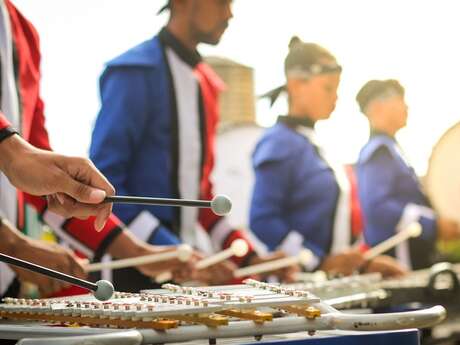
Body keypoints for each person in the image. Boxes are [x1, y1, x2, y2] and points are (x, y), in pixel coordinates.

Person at [90, 0, 296, 290]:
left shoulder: (207, 86)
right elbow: (105, 187)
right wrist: (169, 251)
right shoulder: (133, 72)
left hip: (185, 268)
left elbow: (201, 197)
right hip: (127, 273)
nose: (229, 13)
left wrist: (249, 258)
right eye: (222, 2)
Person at [0, 0, 199, 297]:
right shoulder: (135, 69)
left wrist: (140, 252)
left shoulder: (24, 34)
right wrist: (10, 244)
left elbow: (43, 186)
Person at [250, 37, 405, 277]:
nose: (335, 97)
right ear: (296, 85)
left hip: (327, 285)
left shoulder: (316, 143)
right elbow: (263, 219)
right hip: (296, 287)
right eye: (328, 88)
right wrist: (315, 261)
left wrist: (363, 262)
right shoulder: (279, 141)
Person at [355, 79, 460, 269]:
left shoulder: (392, 149)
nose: (407, 107)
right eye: (400, 100)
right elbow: (380, 208)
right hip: (398, 261)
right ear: (377, 108)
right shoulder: (379, 151)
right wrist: (434, 225)